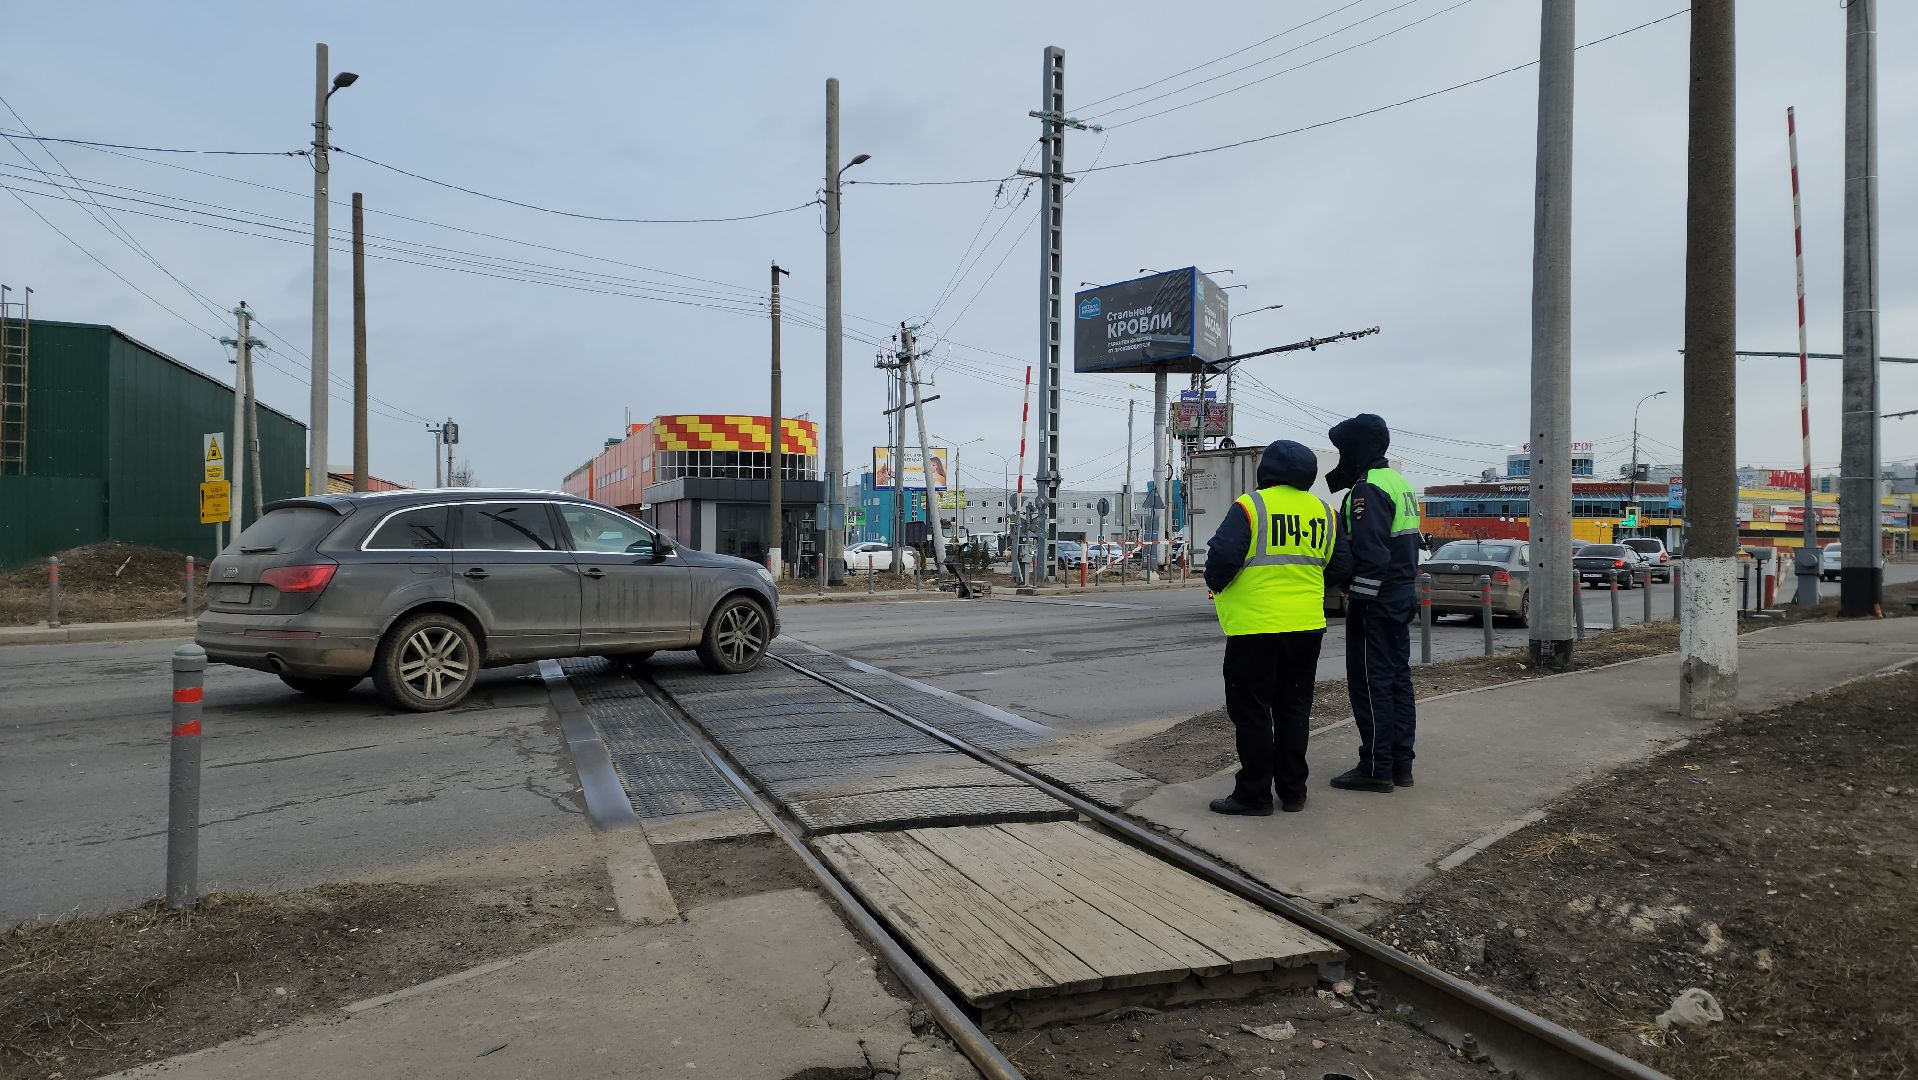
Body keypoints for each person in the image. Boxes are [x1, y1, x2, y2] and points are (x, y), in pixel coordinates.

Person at [1202, 439, 1334, 816]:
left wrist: (1215, 584)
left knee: (1253, 711)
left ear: (1267, 472)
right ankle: (1293, 792)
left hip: (1255, 628)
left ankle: (1254, 795)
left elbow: (1222, 559)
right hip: (1307, 627)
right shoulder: (1324, 511)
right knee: (1294, 709)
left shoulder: (1251, 506)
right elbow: (1340, 565)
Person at [1325, 414, 1422, 793]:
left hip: (1377, 601)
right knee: (1398, 680)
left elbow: (1371, 555)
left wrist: (1361, 604)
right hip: (1400, 596)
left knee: (1371, 684)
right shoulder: (1398, 483)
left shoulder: (1367, 490)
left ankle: (1376, 767)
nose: (1340, 458)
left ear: (1358, 449)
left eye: (1343, 451)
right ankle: (1400, 764)